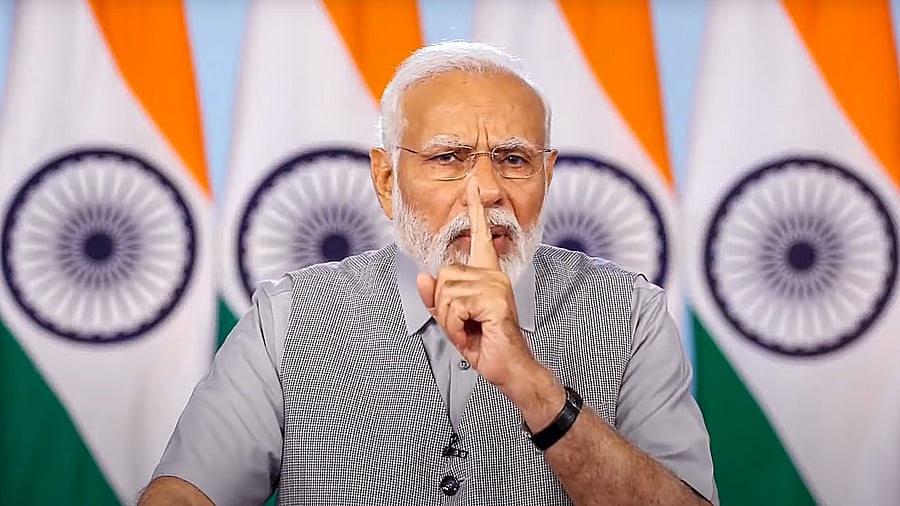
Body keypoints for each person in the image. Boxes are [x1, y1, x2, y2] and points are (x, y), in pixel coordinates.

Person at [139, 41, 717, 506]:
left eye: (514, 160)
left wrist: (530, 384)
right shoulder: (288, 317)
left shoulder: (629, 312)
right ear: (387, 180)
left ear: (548, 175)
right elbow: (188, 492)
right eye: (449, 158)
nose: (486, 190)